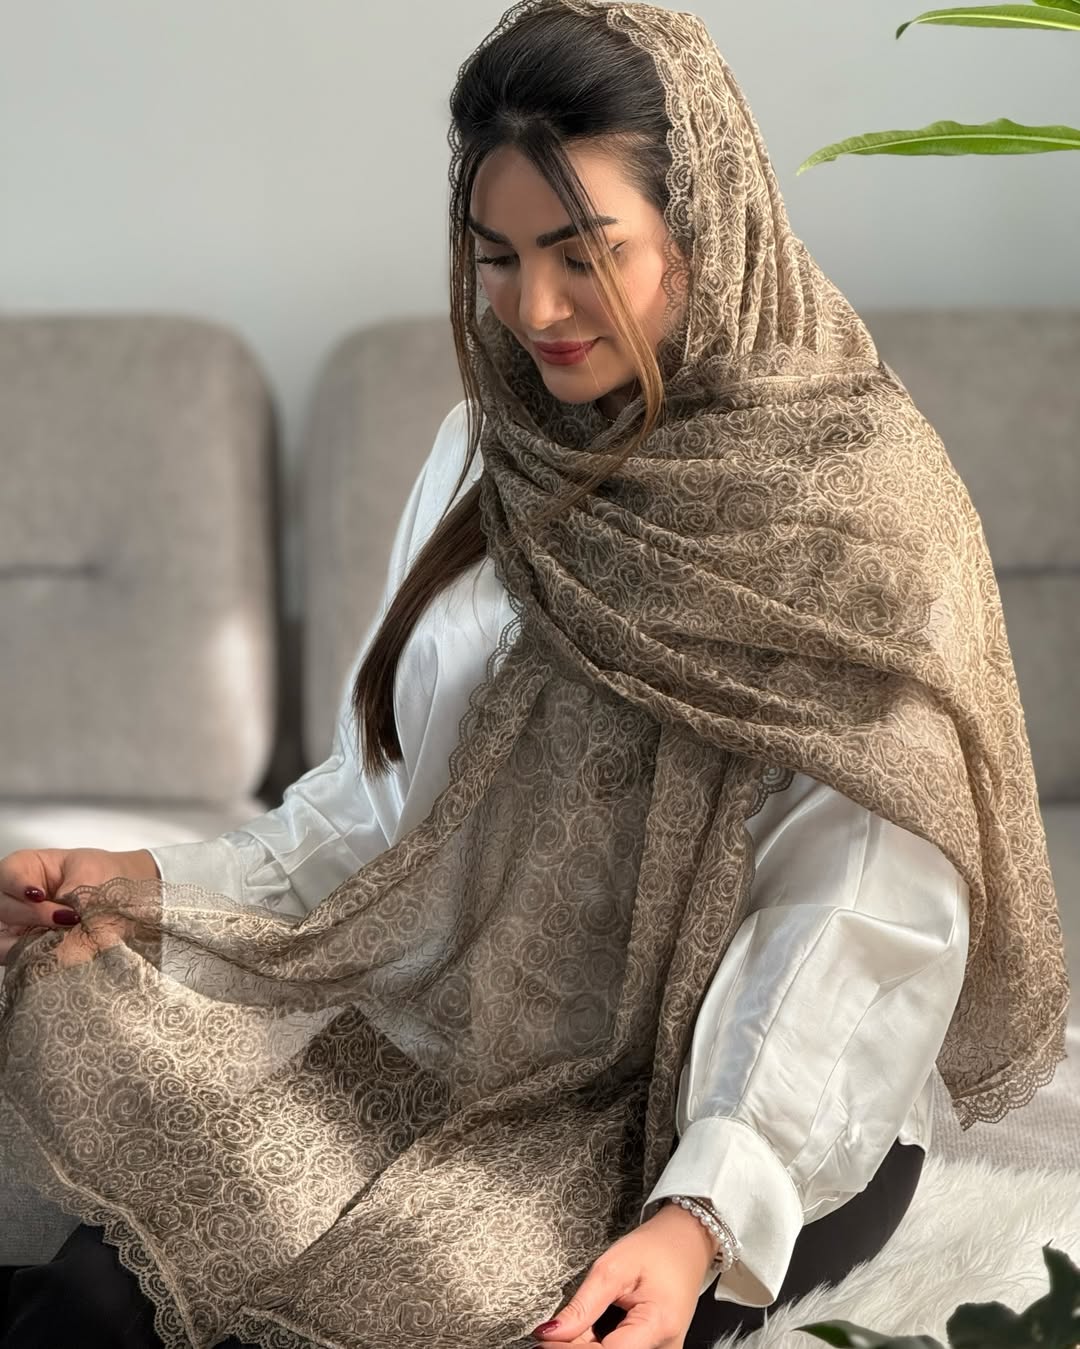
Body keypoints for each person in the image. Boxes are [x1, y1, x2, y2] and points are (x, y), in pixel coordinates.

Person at [0, 2, 1067, 1347]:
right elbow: (386, 812)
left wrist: (703, 1218)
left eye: (586, 252)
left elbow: (851, 914)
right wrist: (156, 880)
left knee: (380, 1314)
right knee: (99, 1291)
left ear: (705, 223)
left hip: (731, 1124)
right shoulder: (488, 445)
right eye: (496, 257)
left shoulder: (858, 512)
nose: (537, 310)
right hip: (456, 1032)